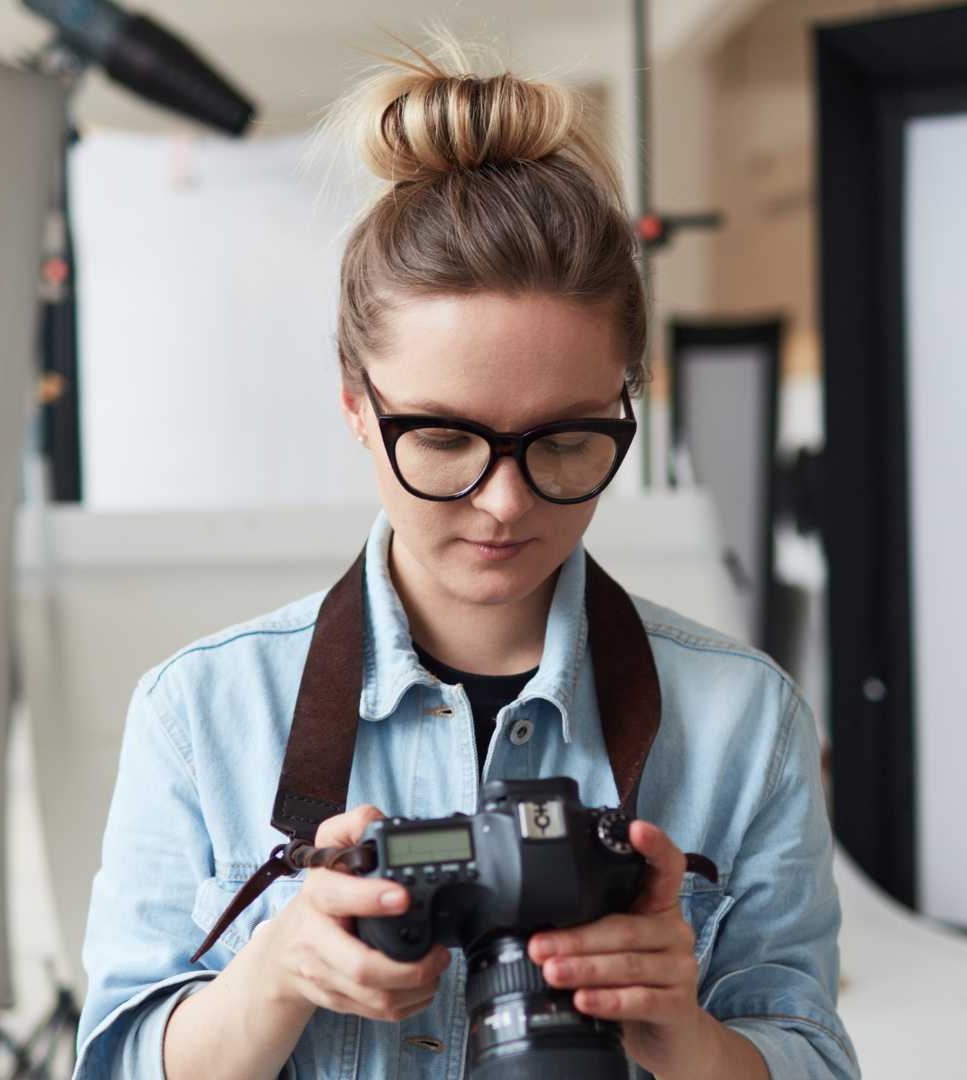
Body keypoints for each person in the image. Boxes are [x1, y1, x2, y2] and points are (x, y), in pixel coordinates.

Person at [71, 32, 857, 1080]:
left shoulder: (740, 723)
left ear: (630, 404)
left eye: (567, 439)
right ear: (356, 402)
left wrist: (685, 1034)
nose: (504, 500)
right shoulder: (203, 714)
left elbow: (812, 1056)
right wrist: (278, 975)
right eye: (444, 438)